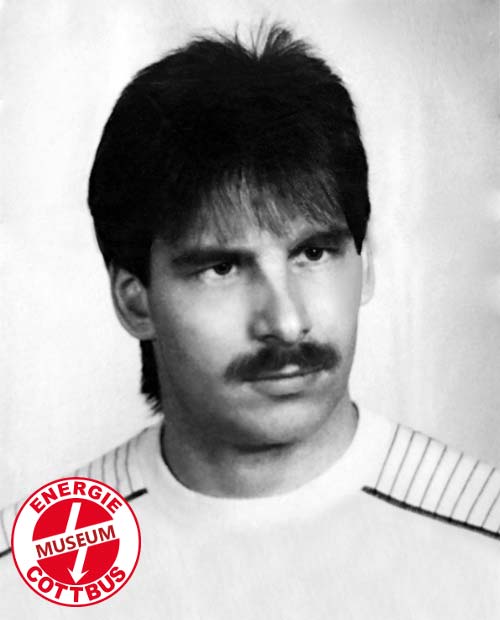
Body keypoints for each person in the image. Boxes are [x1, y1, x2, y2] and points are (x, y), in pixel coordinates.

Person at [1, 24, 499, 619]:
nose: (285, 322)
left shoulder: (484, 539)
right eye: (222, 267)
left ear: (364, 267)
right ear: (136, 301)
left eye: (313, 253)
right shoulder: (22, 580)